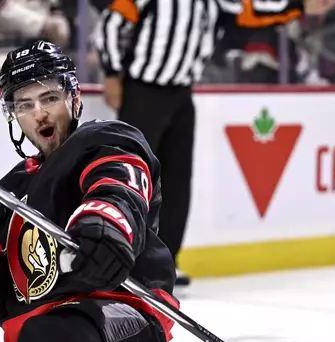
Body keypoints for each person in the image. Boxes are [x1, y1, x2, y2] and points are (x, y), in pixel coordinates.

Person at [0, 40, 179, 342]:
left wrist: (104, 223)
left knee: (53, 337)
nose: (39, 114)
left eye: (49, 98)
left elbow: (116, 186)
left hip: (119, 322)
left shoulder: (105, 142)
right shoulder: (10, 192)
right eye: (25, 105)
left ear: (73, 98)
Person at [94, 0, 304, 287]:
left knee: (177, 180)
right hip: (143, 93)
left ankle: (164, 261)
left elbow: (253, 11)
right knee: (133, 178)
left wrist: (298, 6)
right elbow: (110, 24)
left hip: (182, 95)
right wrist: (112, 73)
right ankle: (122, 258)